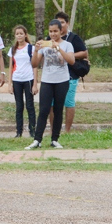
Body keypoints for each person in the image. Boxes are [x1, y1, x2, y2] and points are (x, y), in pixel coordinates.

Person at [26, 19, 75, 150]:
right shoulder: (44, 45)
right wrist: (36, 50)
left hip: (62, 81)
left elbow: (71, 61)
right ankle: (37, 140)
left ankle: (55, 139)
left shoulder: (67, 45)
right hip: (47, 81)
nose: (53, 34)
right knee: (44, 110)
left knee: (58, 110)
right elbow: (34, 64)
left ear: (61, 31)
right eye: (51, 31)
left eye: (55, 31)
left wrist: (58, 48)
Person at [48, 12, 88, 133]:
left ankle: (67, 130)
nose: (60, 25)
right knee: (51, 103)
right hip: (53, 76)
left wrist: (68, 55)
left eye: (62, 22)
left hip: (70, 75)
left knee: (68, 102)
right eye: (57, 22)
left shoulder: (73, 38)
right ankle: (54, 129)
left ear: (67, 23)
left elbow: (84, 53)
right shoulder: (50, 38)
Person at [7, 25, 38, 138]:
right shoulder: (13, 49)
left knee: (30, 106)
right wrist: (9, 84)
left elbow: (35, 66)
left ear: (25, 34)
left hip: (28, 79)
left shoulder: (31, 48)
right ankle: (18, 132)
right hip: (17, 79)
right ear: (15, 36)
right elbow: (10, 67)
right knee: (19, 106)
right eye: (17, 34)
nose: (19, 35)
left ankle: (32, 130)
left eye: (21, 33)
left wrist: (35, 84)